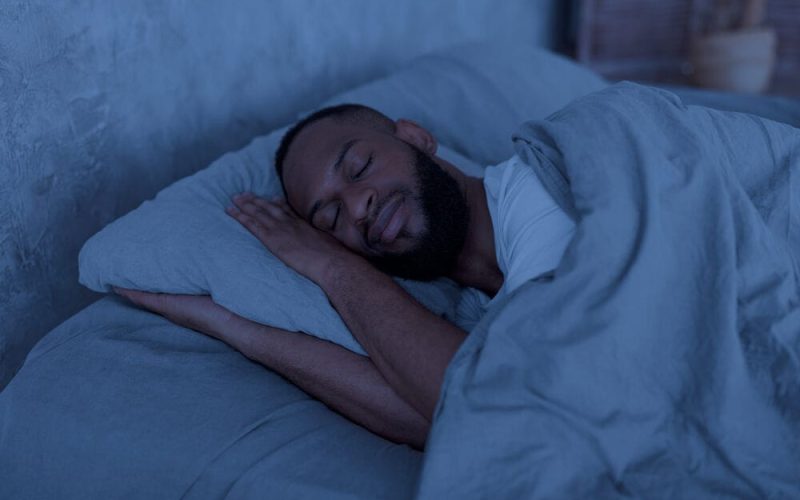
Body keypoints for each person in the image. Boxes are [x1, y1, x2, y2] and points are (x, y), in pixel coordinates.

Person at [114, 104, 576, 450]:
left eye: (359, 167)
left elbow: (496, 403)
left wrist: (334, 267)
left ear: (416, 138)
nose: (357, 208)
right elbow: (438, 412)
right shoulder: (478, 309)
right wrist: (234, 327)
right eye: (330, 219)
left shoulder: (540, 191)